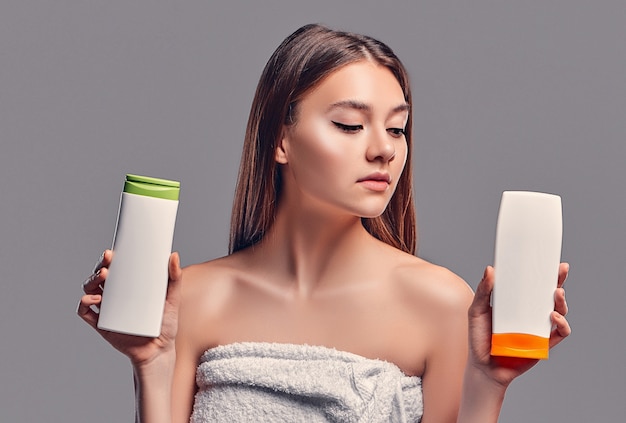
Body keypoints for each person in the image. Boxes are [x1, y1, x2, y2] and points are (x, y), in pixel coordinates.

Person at [78, 24, 571, 422]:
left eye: (397, 128)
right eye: (350, 125)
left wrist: (490, 382)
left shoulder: (440, 303)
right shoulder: (195, 298)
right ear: (280, 140)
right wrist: (150, 362)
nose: (383, 148)